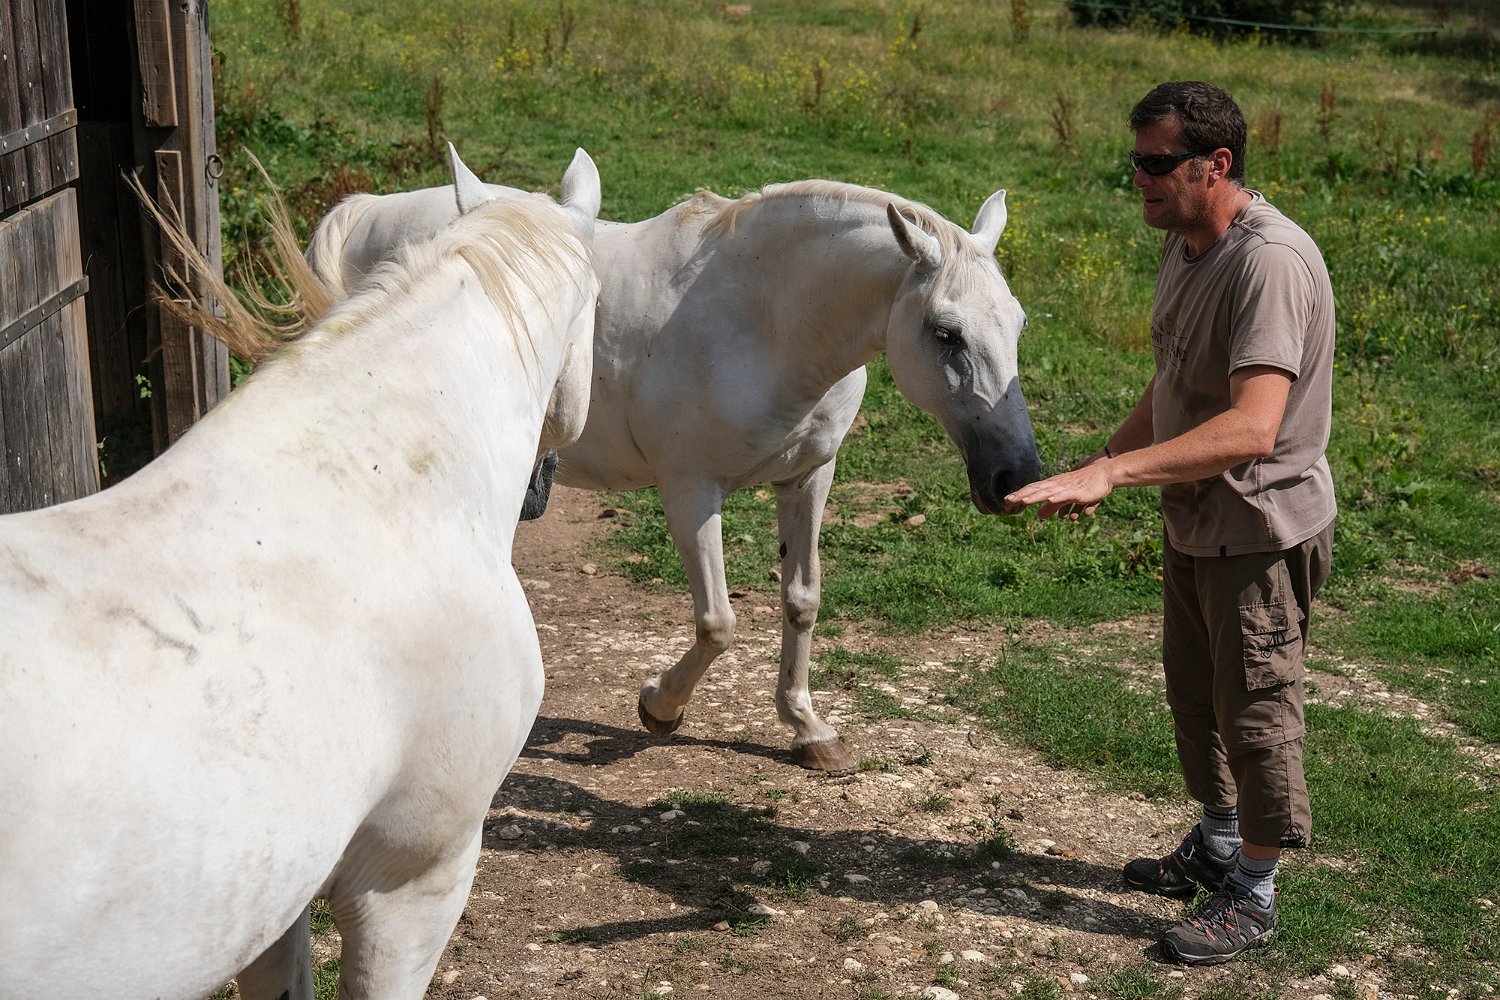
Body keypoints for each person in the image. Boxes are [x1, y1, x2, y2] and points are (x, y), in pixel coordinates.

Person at [1004, 80, 1336, 966]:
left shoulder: (1268, 264)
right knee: (1196, 696)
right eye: (1136, 162)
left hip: (1259, 528)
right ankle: (1220, 841)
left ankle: (1255, 893)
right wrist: (1097, 461)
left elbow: (1252, 427)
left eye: (1158, 163)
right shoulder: (1187, 244)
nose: (1140, 179)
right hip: (1196, 516)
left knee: (1256, 712)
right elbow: (1176, 379)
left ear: (1216, 164)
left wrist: (1115, 473)